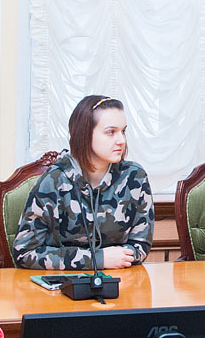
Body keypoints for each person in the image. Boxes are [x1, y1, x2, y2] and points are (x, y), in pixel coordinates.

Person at [12, 95, 154, 270]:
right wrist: (97, 259)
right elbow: (24, 253)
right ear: (84, 134)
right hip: (63, 283)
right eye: (111, 132)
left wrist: (118, 258)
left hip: (119, 279)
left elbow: (140, 245)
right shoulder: (54, 180)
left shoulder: (134, 177)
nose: (121, 141)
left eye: (123, 131)